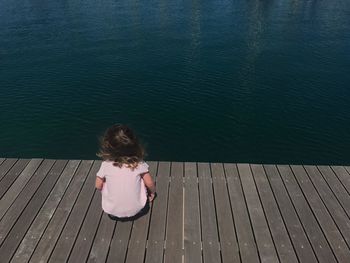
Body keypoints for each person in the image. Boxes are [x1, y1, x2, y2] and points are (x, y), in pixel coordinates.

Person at [95, 124, 156, 221]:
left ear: (108, 146)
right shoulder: (138, 163)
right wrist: (152, 192)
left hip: (112, 211)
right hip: (137, 209)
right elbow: (150, 183)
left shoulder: (106, 164)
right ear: (134, 144)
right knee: (142, 180)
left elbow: (98, 185)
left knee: (105, 182)